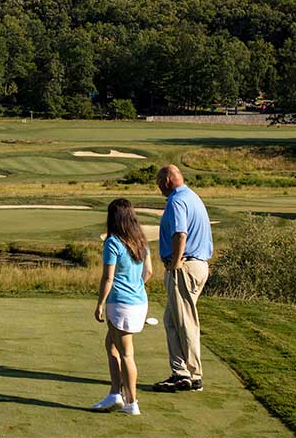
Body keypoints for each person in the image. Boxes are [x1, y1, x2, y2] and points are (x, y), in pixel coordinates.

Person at [153, 164, 214, 393]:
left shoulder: (177, 201)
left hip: (185, 266)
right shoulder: (192, 196)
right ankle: (180, 373)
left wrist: (176, 263)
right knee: (171, 320)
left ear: (167, 180)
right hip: (197, 265)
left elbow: (180, 233)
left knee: (185, 321)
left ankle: (194, 375)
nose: (158, 187)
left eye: (159, 182)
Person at [92, 199, 153, 415]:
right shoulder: (141, 241)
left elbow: (108, 278)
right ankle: (114, 394)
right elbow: (148, 273)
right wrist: (135, 287)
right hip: (138, 302)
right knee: (111, 345)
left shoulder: (113, 243)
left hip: (120, 303)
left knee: (126, 353)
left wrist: (99, 304)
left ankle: (132, 402)